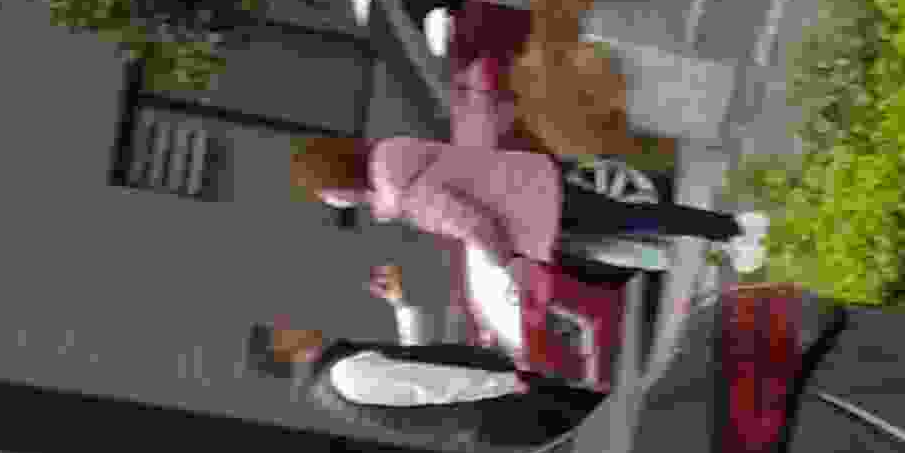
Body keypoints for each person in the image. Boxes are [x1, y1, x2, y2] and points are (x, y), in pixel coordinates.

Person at [286, 130, 766, 276]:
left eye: (327, 190)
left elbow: (473, 224)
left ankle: (734, 231)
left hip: (539, 216)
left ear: (342, 183)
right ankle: (730, 234)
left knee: (637, 225)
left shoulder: (407, 196)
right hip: (535, 180)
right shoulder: (395, 152)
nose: (331, 199)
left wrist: (502, 262)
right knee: (636, 223)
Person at [249, 320, 594, 448]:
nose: (292, 324)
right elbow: (428, 385)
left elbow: (409, 367)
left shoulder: (331, 381)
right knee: (598, 419)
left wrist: (402, 305)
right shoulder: (343, 373)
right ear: (285, 347)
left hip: (489, 412)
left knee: (595, 427)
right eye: (283, 330)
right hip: (497, 405)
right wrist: (505, 382)